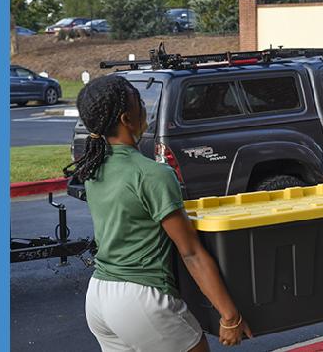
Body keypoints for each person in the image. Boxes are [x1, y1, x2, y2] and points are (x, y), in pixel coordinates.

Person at [64, 75, 252, 351]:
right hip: (140, 297)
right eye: (139, 102)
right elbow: (191, 253)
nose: (144, 106)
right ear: (127, 119)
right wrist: (230, 315)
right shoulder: (153, 174)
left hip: (99, 296)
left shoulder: (94, 169)